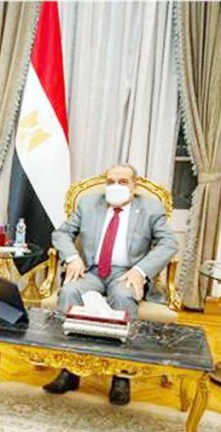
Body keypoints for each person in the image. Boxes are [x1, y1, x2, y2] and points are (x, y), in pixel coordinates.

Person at [43, 163, 178, 405]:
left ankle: (121, 374)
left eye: (123, 182)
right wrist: (72, 257)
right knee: (70, 290)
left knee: (123, 296)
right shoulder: (88, 203)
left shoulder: (151, 208)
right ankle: (70, 369)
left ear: (134, 186)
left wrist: (140, 271)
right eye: (111, 182)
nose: (115, 186)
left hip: (126, 274)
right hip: (92, 271)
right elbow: (61, 233)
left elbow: (169, 243)